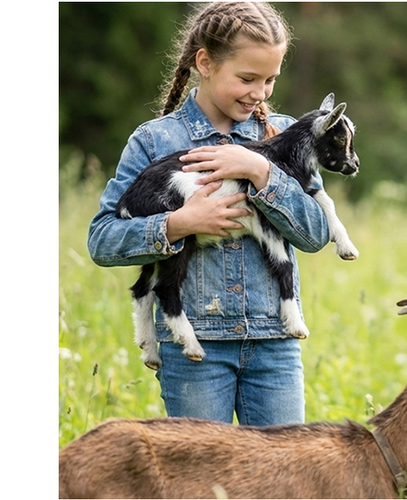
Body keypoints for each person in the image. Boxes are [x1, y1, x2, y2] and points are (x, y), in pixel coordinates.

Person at [87, 2, 327, 426]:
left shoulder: (287, 135)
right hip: (196, 351)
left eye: (270, 80)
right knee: (198, 482)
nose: (260, 93)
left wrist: (261, 170)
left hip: (276, 343)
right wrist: (178, 224)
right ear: (205, 63)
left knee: (283, 482)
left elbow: (315, 233)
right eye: (247, 78)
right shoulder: (155, 140)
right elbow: (103, 239)